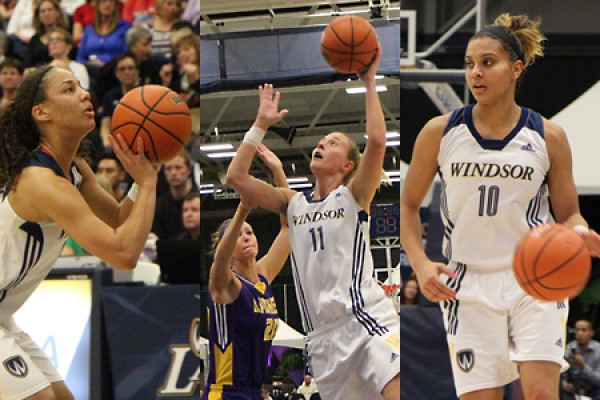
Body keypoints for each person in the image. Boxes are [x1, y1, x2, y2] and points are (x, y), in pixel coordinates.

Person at [399, 13, 600, 400]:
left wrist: (577, 232)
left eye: (488, 63)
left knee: (541, 395)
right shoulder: (439, 132)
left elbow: (569, 210)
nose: (475, 73)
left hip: (534, 279)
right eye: (469, 64)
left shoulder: (548, 135)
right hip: (467, 283)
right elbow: (408, 206)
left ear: (516, 69)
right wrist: (421, 264)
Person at [226, 47, 400, 400]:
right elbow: (236, 176)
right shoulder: (294, 203)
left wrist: (369, 82)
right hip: (321, 338)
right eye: (321, 141)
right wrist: (260, 124)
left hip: (365, 318)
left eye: (332, 142)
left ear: (347, 165)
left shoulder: (353, 195)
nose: (321, 144)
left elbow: (378, 142)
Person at [0, 65, 157, 399]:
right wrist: (148, 184)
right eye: (68, 89)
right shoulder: (41, 182)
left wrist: (140, 181)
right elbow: (124, 253)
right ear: (41, 112)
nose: (85, 94)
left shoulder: (73, 168)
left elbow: (116, 220)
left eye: (81, 87)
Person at [202, 145, 290, 400]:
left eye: (249, 232)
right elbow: (219, 261)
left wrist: (277, 170)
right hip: (226, 393)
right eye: (238, 235)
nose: (246, 237)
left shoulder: (263, 275)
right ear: (225, 248)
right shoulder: (225, 284)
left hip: (253, 392)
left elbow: (288, 227)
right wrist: (243, 209)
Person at [152, 148, 197, 239]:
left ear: (189, 170)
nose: (173, 173)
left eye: (178, 167)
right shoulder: (159, 206)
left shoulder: (200, 200)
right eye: (168, 168)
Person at [99, 52, 140, 148]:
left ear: (137, 71)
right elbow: (105, 126)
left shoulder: (146, 94)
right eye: (122, 69)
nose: (127, 72)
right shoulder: (110, 95)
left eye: (130, 68)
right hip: (117, 144)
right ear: (116, 73)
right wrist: (107, 146)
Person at [561, 320, 600, 400]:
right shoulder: (569, 348)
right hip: (573, 389)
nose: (580, 333)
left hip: (593, 390)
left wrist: (583, 366)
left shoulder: (598, 350)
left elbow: (598, 381)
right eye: (577, 330)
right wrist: (565, 384)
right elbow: (562, 373)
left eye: (584, 330)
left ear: (591, 333)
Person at [27, 0, 69, 68]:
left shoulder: (66, 35)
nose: (46, 14)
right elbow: (29, 65)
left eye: (50, 10)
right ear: (38, 15)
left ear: (57, 12)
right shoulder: (34, 40)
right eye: (43, 11)